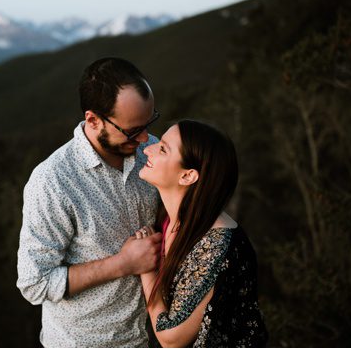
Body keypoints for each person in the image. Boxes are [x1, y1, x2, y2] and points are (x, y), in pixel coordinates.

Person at [16, 57, 164, 347]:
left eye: (149, 123)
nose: (146, 137)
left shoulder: (150, 149)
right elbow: (34, 283)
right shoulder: (52, 181)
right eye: (133, 131)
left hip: (145, 339)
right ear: (94, 120)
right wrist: (123, 263)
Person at [134, 119, 268, 347]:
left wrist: (147, 271)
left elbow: (172, 338)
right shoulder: (170, 219)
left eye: (163, 149)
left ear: (187, 176)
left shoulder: (215, 244)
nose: (148, 149)